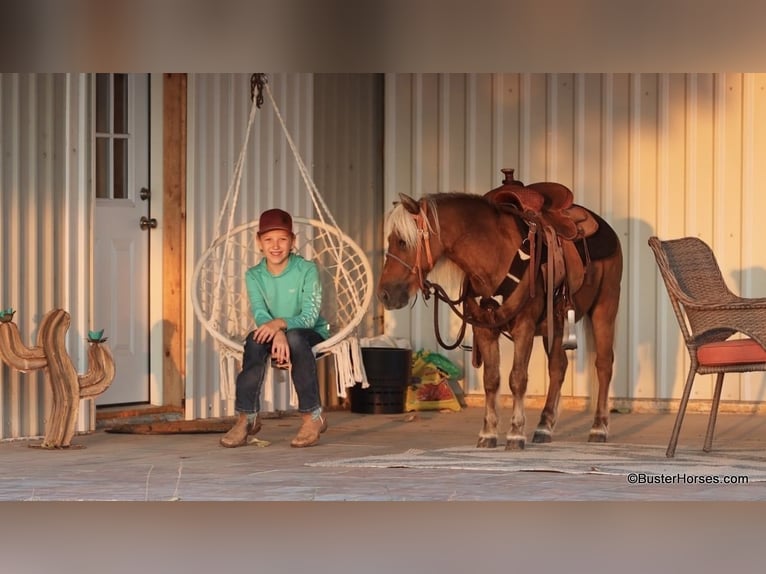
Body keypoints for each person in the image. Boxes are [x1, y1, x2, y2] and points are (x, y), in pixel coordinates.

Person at [220, 208, 331, 448]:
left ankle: (312, 416)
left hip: (309, 333)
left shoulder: (307, 270)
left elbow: (309, 316)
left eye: (282, 239)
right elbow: (260, 312)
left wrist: (280, 325)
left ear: (293, 241)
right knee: (254, 341)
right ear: (259, 242)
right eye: (269, 240)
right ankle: (246, 416)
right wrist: (277, 331)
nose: (276, 246)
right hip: (275, 332)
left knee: (296, 339)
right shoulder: (254, 275)